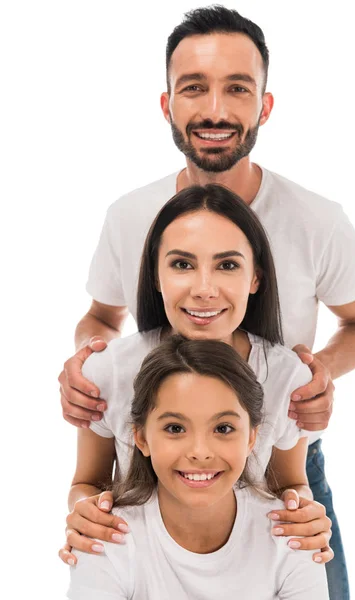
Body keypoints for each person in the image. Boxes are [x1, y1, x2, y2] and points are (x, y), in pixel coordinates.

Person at [58, 7, 355, 599]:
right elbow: (101, 320)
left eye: (237, 88)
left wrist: (316, 380)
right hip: (157, 461)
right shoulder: (130, 217)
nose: (214, 109)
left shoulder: (318, 221)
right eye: (194, 88)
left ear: (265, 104)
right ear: (167, 105)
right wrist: (89, 368)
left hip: (283, 447)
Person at [62, 185, 332, 570]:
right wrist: (85, 511)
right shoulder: (108, 372)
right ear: (156, 275)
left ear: (255, 278)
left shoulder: (288, 376)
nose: (204, 290)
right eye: (182, 265)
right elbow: (85, 483)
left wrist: (302, 511)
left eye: (227, 265)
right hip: (141, 572)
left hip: (246, 574)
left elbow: (290, 484)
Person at [67, 336, 329, 599]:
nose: (200, 452)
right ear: (142, 438)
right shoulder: (106, 538)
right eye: (175, 428)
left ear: (251, 438)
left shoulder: (293, 537)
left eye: (223, 428)